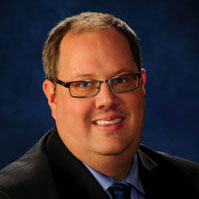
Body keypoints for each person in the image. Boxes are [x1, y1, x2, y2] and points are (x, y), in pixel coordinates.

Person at [0, 12, 198, 199]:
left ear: (142, 84)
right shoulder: (12, 194)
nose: (107, 100)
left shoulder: (192, 181)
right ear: (52, 96)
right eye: (84, 84)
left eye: (121, 80)